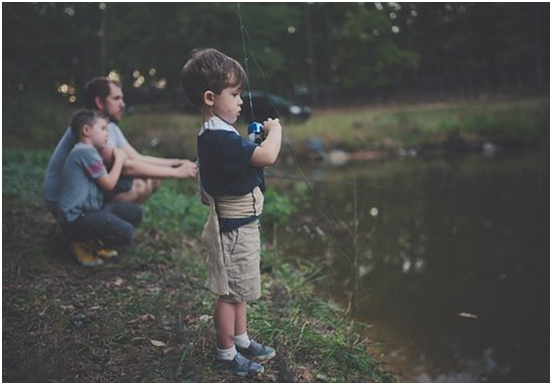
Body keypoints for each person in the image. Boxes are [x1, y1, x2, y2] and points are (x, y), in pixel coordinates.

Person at [181, 48, 282, 377]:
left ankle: (240, 338)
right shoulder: (217, 138)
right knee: (228, 293)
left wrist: (252, 139)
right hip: (234, 229)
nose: (241, 101)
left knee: (240, 288)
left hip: (243, 224)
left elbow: (241, 159)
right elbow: (265, 157)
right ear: (210, 97)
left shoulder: (220, 134)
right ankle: (226, 353)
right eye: (235, 94)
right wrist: (275, 131)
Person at [44, 76, 197, 213]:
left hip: (86, 191)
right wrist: (177, 173)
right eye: (116, 99)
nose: (123, 104)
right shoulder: (90, 130)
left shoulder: (110, 127)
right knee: (138, 185)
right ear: (99, 101)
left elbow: (137, 158)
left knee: (152, 181)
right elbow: (126, 168)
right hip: (62, 200)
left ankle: (108, 227)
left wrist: (178, 163)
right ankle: (92, 231)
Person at [57, 110, 143, 267]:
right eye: (103, 129)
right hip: (75, 220)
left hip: (91, 212)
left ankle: (93, 241)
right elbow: (109, 184)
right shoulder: (85, 152)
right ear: (86, 131)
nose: (107, 134)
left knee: (135, 212)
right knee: (127, 232)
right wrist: (120, 159)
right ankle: (82, 243)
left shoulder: (88, 152)